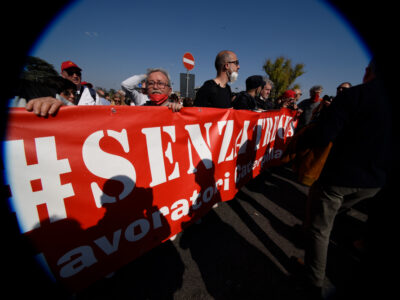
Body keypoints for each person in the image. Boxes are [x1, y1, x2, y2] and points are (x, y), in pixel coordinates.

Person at [294, 59, 392, 299]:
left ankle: (313, 282)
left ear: (369, 72)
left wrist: (300, 141)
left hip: (340, 178)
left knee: (319, 229)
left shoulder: (355, 96)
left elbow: (324, 135)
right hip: (375, 183)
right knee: (329, 218)